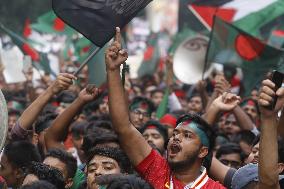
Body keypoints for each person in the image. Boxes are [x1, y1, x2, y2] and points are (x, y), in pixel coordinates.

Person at [105, 27, 228, 189]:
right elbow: (123, 127)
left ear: (203, 152)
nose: (176, 138)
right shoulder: (157, 169)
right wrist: (113, 71)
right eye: (175, 133)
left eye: (187, 135)